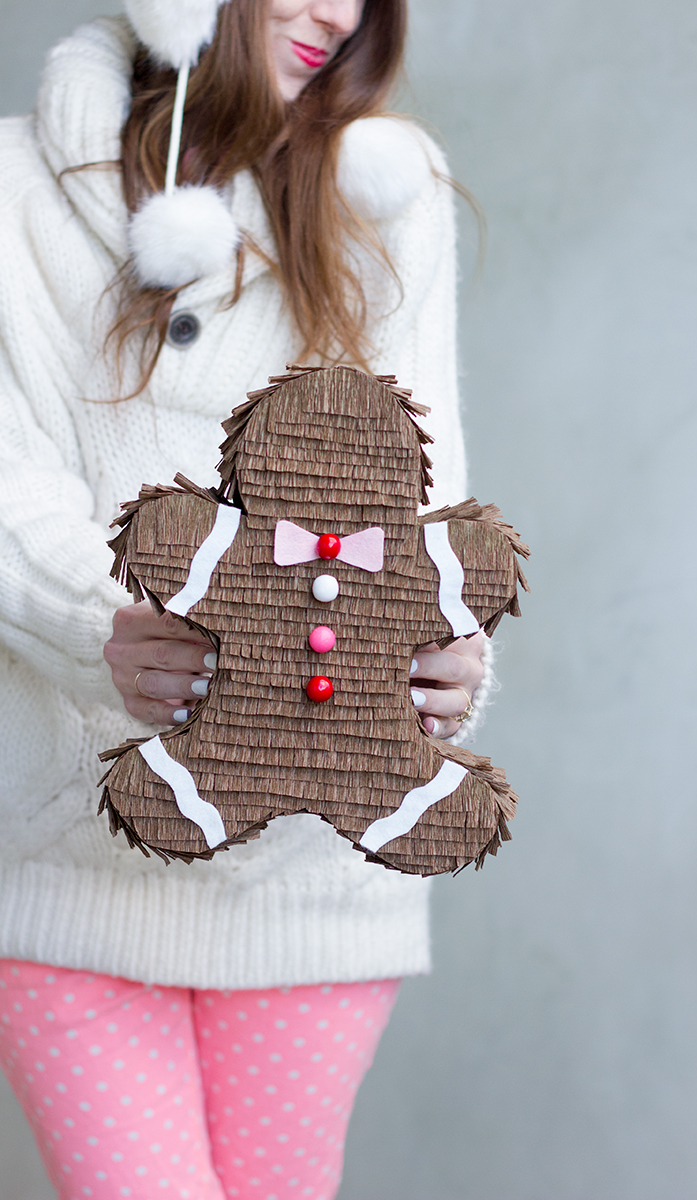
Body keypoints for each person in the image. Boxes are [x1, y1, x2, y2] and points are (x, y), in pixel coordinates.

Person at [0, 1, 491, 1195]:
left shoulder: (391, 191)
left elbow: (430, 511)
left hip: (316, 881)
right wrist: (99, 629)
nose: (338, 13)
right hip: (75, 864)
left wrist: (450, 659)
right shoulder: (16, 181)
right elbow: (11, 479)